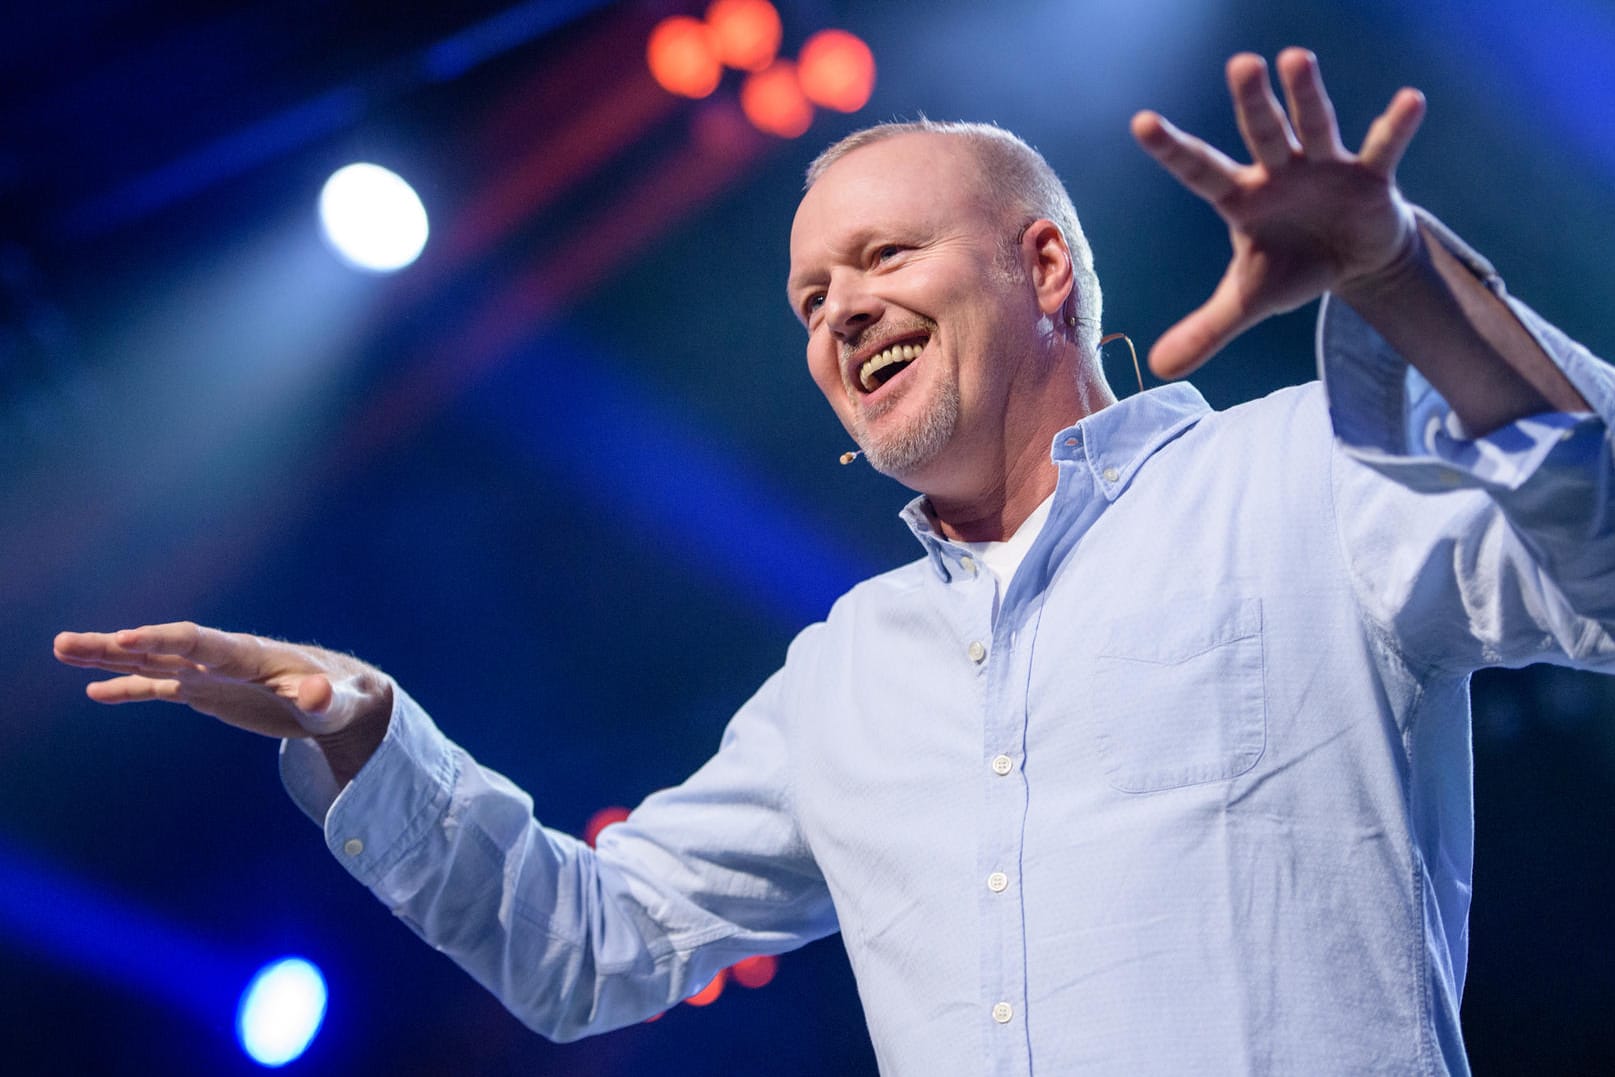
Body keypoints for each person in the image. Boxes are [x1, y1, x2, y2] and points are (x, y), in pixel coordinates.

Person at [55, 49, 1613, 1074]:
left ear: (1044, 267)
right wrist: (361, 726)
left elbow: (1598, 551)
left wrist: (1402, 275)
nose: (839, 313)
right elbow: (592, 943)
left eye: (881, 258)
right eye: (808, 299)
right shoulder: (845, 675)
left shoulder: (1293, 482)